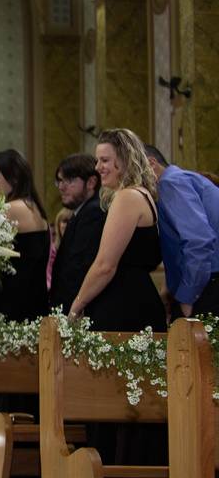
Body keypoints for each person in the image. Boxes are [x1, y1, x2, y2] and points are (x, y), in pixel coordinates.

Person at [69, 129, 166, 332]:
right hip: (135, 301)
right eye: (97, 161)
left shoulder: (127, 197)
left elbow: (105, 265)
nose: (98, 167)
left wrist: (77, 305)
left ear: (124, 160)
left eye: (104, 160)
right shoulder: (143, 194)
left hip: (124, 309)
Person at [143, 144, 219, 319]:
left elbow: (198, 241)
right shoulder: (184, 179)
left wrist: (187, 297)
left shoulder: (170, 183)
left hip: (206, 286)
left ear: (151, 164)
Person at [0, 149, 50, 321]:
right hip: (35, 303)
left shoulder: (11, 209)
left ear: (14, 178)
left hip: (12, 306)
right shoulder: (34, 207)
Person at [49, 154, 106, 314]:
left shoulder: (93, 212)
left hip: (79, 312)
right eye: (59, 181)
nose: (61, 187)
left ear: (91, 182)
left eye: (69, 180)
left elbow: (79, 269)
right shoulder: (80, 212)